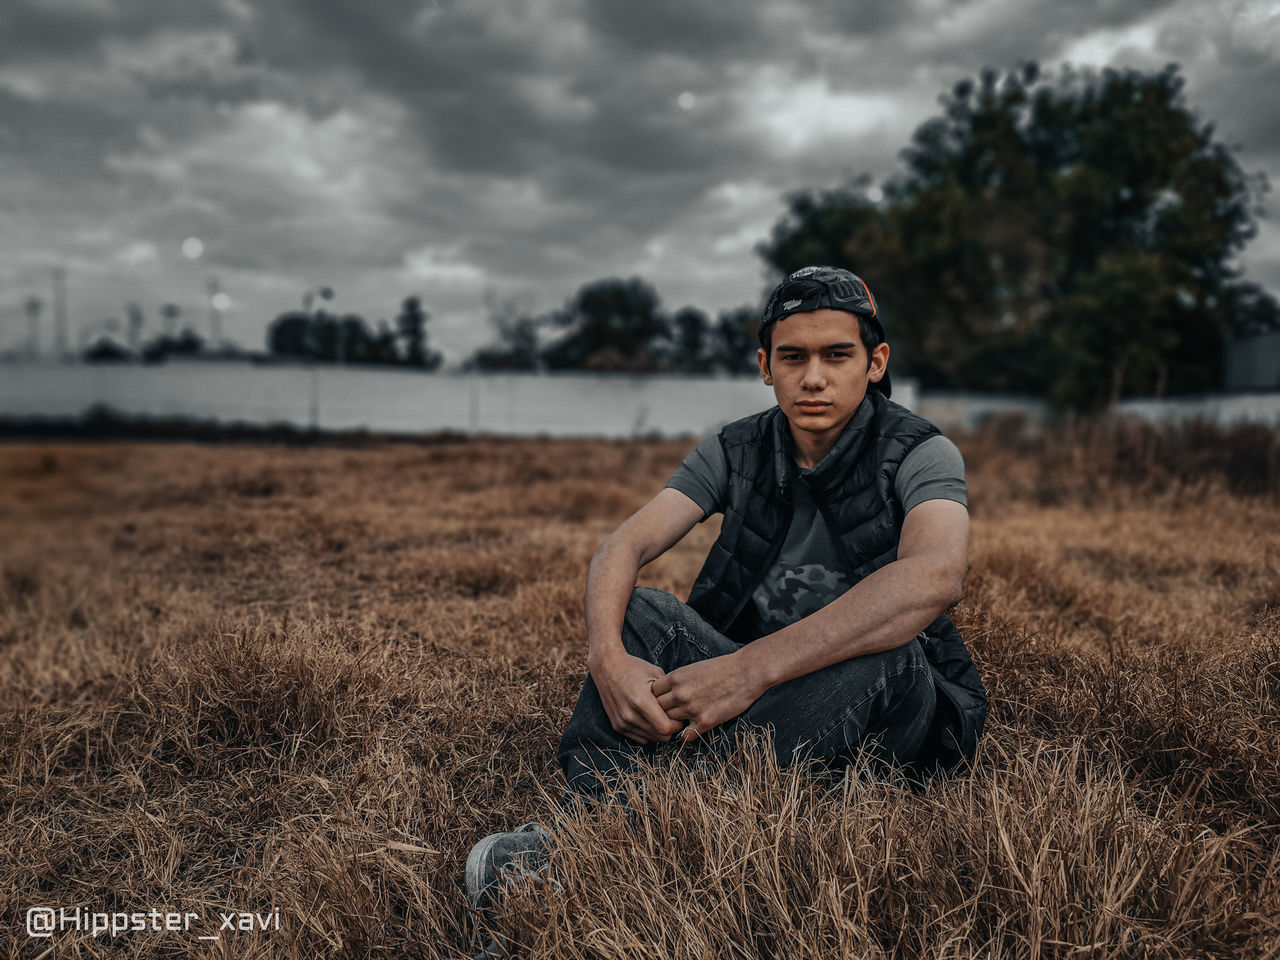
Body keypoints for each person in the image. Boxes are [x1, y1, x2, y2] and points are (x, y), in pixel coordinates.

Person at [465, 265, 988, 931]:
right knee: (639, 610)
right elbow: (620, 548)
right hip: (761, 700)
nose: (815, 377)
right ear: (766, 366)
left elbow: (936, 575)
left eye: (838, 355)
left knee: (893, 648)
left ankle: (639, 834)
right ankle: (587, 837)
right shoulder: (736, 447)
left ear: (876, 362)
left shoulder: (921, 450)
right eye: (793, 358)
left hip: (886, 707)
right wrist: (606, 658)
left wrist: (746, 671)